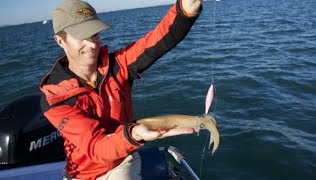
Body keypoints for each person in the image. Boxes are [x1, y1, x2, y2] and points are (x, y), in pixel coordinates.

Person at [39, 0, 203, 179]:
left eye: (94, 34)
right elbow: (96, 147)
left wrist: (185, 12)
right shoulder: (55, 98)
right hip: (81, 174)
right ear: (60, 40)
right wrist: (133, 134)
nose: (93, 44)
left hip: (122, 163)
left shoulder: (118, 66)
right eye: (81, 36)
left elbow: (156, 42)